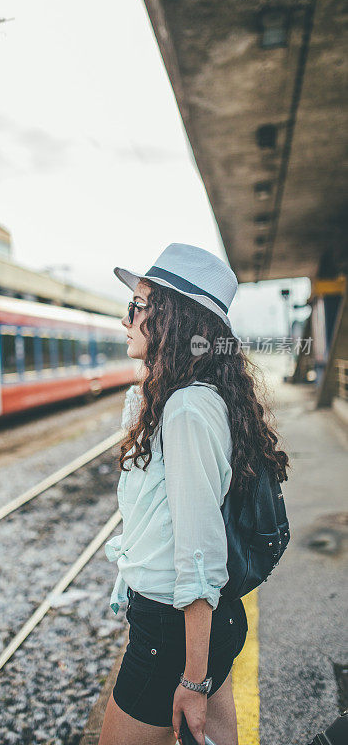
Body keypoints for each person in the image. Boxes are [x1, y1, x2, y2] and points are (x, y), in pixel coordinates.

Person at [97, 243, 289, 745]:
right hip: (196, 624)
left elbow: (198, 551)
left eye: (136, 306)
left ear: (171, 317)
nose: (125, 320)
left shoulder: (186, 409)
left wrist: (193, 678)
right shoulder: (189, 397)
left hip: (172, 633)